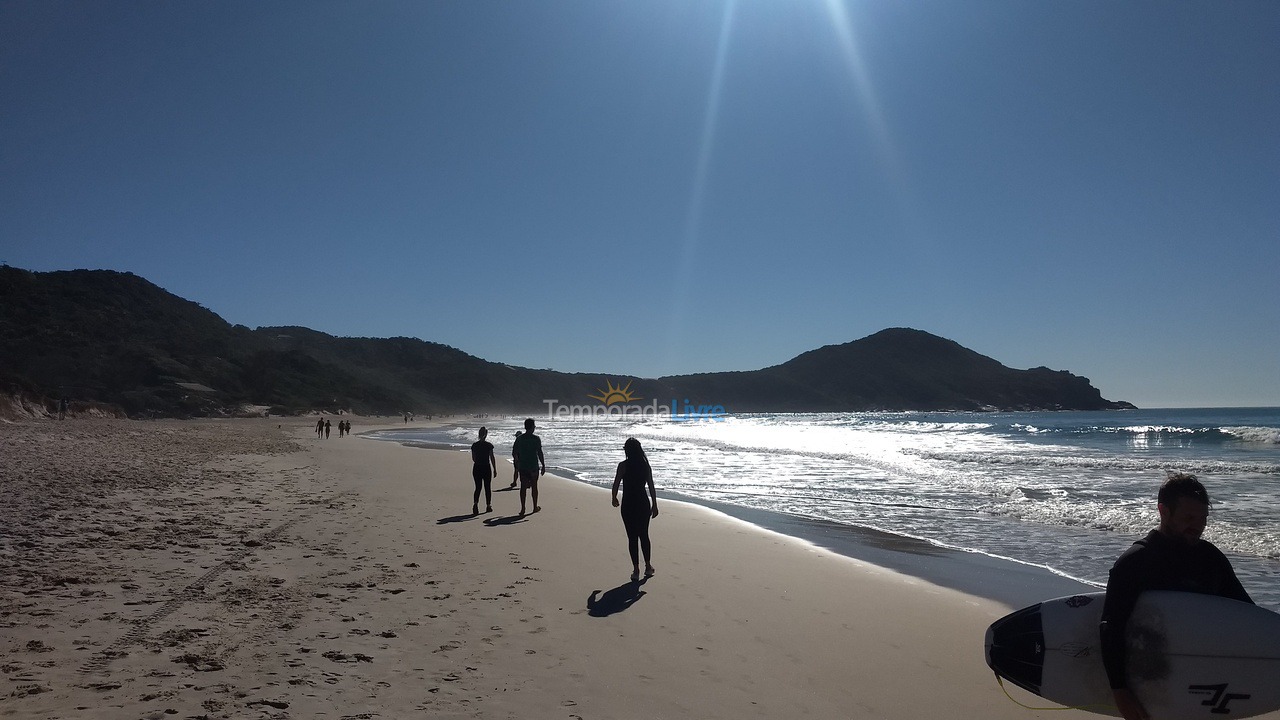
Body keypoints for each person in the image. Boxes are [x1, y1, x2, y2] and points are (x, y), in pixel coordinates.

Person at [1099, 472, 1254, 720]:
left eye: (1203, 518)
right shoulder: (1135, 562)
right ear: (1164, 511)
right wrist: (1120, 691)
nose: (1198, 526)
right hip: (1154, 682)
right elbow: (1111, 628)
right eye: (1189, 517)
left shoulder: (1210, 559)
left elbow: (1245, 612)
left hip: (1205, 681)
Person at [611, 438, 658, 581]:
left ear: (627, 450)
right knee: (644, 534)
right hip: (643, 502)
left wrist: (614, 497)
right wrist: (654, 504)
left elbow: (616, 483)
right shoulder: (645, 466)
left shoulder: (623, 466)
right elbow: (651, 486)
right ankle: (648, 567)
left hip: (628, 504)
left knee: (632, 537)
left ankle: (636, 569)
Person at [511, 419, 545, 516]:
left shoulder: (519, 439)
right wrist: (543, 465)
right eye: (534, 426)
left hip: (523, 466)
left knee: (523, 487)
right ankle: (534, 507)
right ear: (532, 427)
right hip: (533, 466)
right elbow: (540, 453)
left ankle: (523, 508)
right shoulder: (536, 439)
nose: (535, 427)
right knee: (534, 486)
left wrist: (517, 461)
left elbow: (514, 452)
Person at [470, 427, 498, 515]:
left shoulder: (474, 445)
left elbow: (473, 458)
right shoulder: (489, 445)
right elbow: (492, 457)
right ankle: (488, 505)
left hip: (477, 467)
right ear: (486, 434)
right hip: (486, 467)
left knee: (478, 487)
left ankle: (475, 504)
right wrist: (495, 469)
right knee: (487, 487)